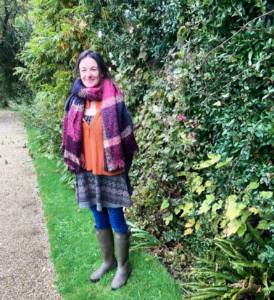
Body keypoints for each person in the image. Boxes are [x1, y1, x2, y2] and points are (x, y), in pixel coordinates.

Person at [62, 50, 139, 290]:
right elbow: (68, 136)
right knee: (97, 215)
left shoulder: (113, 98)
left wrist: (122, 166)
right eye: (83, 70)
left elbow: (127, 137)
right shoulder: (74, 100)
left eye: (93, 69)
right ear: (79, 72)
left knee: (115, 215)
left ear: (102, 70)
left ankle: (123, 266)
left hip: (111, 168)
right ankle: (108, 261)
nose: (88, 74)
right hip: (86, 170)